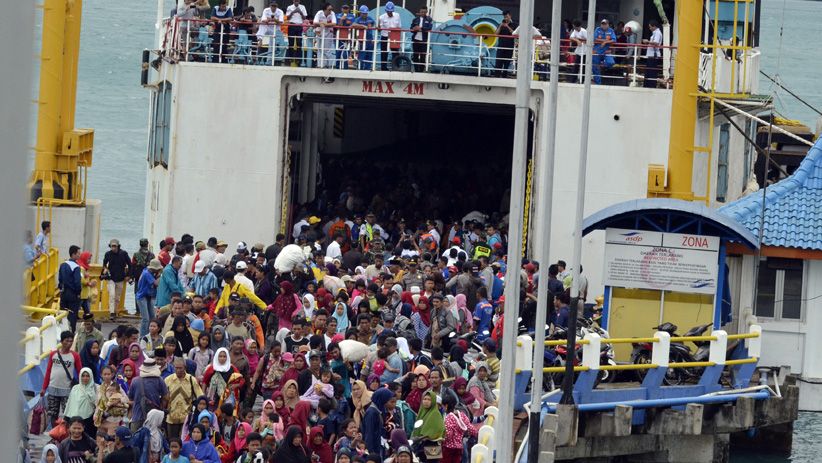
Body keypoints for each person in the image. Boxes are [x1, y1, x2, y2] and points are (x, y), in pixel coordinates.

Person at [42, 330, 82, 427]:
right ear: (61, 341)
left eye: (71, 341)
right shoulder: (53, 354)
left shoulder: (75, 356)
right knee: (52, 414)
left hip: (67, 389)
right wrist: (44, 387)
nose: (69, 343)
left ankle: (65, 434)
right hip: (53, 388)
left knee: (67, 414)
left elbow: (80, 371)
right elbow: (48, 371)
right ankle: (54, 434)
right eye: (67, 341)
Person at [166, 358, 204, 439]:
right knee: (172, 442)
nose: (178, 370)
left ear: (185, 367)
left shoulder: (191, 380)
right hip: (171, 418)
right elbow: (163, 397)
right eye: (176, 368)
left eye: (180, 368)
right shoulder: (168, 380)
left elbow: (200, 396)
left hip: (186, 419)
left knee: (184, 441)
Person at [128, 357, 169, 431]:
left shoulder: (135, 381)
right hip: (154, 419)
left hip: (137, 417)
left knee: (136, 440)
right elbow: (166, 397)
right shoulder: (159, 380)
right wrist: (160, 407)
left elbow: (130, 399)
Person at [441, 394, 476, 463]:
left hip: (448, 448)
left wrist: (441, 439)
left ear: (446, 406)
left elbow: (448, 435)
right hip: (459, 447)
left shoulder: (448, 418)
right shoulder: (462, 415)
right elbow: (472, 429)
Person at [94, 365, 129, 435]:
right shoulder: (99, 388)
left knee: (111, 442)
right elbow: (97, 404)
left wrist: (117, 401)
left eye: (108, 374)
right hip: (101, 419)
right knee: (101, 441)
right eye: (105, 374)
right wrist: (96, 415)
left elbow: (126, 399)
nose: (107, 376)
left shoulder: (116, 386)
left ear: (112, 375)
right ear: (101, 375)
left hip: (113, 419)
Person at [102, 239, 132, 319]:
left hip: (120, 278)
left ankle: (115, 312)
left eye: (115, 246)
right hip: (111, 278)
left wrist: (129, 275)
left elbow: (130, 264)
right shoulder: (108, 254)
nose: (113, 248)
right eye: (112, 246)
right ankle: (112, 313)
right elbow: (104, 264)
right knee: (112, 295)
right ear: (110, 246)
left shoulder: (124, 254)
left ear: (118, 246)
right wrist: (105, 271)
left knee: (117, 298)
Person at [64, 367, 99, 435]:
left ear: (91, 376)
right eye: (83, 376)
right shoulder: (75, 388)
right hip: (74, 420)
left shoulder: (96, 388)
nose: (85, 378)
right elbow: (70, 404)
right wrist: (66, 418)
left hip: (89, 420)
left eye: (87, 376)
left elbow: (98, 403)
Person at [362, 387, 393, 460]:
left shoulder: (377, 410)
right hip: (373, 450)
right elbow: (369, 433)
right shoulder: (371, 413)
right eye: (386, 400)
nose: (388, 402)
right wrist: (371, 454)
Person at [58, 245, 83, 332]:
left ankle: (62, 332)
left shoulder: (63, 265)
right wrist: (78, 293)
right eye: (78, 253)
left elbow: (60, 280)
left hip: (63, 292)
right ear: (73, 254)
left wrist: (61, 288)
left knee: (63, 314)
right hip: (72, 294)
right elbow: (77, 282)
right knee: (72, 315)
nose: (79, 255)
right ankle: (71, 333)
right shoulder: (76, 267)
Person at [136, 259, 163, 337]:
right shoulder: (147, 273)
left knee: (152, 317)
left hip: (148, 297)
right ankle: (142, 336)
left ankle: (149, 334)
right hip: (142, 297)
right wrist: (160, 275)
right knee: (145, 319)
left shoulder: (148, 272)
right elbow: (156, 283)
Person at [377, 2, 401, 71]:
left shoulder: (397, 15)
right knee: (384, 52)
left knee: (395, 52)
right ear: (386, 10)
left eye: (391, 11)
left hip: (394, 36)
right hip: (385, 36)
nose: (390, 13)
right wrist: (378, 26)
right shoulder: (381, 17)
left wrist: (398, 37)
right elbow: (379, 30)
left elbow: (399, 27)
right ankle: (383, 68)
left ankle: (396, 67)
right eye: (388, 11)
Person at [592, 18, 616, 84]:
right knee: (595, 68)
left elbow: (614, 40)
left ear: (608, 25)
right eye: (602, 24)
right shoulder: (597, 29)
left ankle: (602, 65)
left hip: (606, 51)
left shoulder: (611, 30)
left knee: (611, 62)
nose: (604, 25)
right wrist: (605, 41)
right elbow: (594, 38)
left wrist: (605, 42)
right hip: (596, 51)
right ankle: (598, 84)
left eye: (605, 24)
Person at [313, 3, 337, 68]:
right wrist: (321, 23)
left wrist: (324, 24)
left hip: (329, 34)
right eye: (329, 9)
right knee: (320, 49)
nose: (330, 11)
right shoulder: (319, 13)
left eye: (331, 9)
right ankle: (320, 65)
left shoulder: (332, 13)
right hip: (320, 33)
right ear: (324, 9)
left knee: (327, 50)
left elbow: (334, 23)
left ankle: (329, 65)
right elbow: (315, 22)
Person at [285, 0, 308, 66]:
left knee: (299, 43)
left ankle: (298, 59)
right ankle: (290, 59)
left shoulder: (302, 7)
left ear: (299, 1)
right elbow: (287, 18)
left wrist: (300, 12)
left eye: (297, 1)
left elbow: (304, 18)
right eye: (295, 1)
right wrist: (293, 12)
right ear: (293, 1)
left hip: (299, 25)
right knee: (291, 43)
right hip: (291, 25)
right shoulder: (289, 7)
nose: (296, 2)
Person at [409, 6, 432, 71]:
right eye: (422, 12)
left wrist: (421, 28)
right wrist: (414, 29)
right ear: (419, 12)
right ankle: (416, 70)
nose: (423, 13)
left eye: (424, 12)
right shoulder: (415, 19)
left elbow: (429, 28)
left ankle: (421, 70)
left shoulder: (429, 19)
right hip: (416, 40)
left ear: (426, 12)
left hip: (424, 40)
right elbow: (411, 29)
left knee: (423, 56)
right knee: (415, 55)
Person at [642, 20, 663, 88]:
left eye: (650, 27)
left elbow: (656, 43)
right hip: (651, 55)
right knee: (649, 71)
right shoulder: (655, 33)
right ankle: (647, 85)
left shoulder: (657, 33)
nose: (650, 28)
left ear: (654, 26)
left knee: (651, 72)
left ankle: (651, 85)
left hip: (653, 55)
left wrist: (647, 41)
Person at [494, 11, 515, 77]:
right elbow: (495, 34)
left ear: (510, 16)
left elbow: (514, 33)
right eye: (504, 17)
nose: (505, 18)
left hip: (509, 47)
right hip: (501, 46)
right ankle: (497, 76)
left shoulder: (514, 25)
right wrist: (500, 26)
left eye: (507, 16)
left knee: (507, 63)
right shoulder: (501, 24)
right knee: (498, 62)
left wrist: (507, 26)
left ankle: (504, 76)